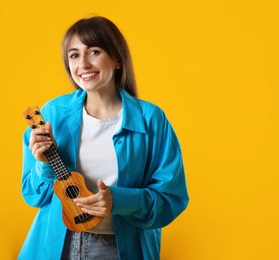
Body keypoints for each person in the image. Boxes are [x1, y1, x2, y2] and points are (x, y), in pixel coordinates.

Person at [18, 16, 189, 260]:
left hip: (117, 249)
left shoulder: (151, 119)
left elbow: (171, 198)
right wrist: (44, 166)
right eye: (74, 55)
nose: (83, 64)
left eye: (94, 52)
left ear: (117, 59)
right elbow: (35, 195)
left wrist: (118, 200)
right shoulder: (52, 114)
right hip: (55, 246)